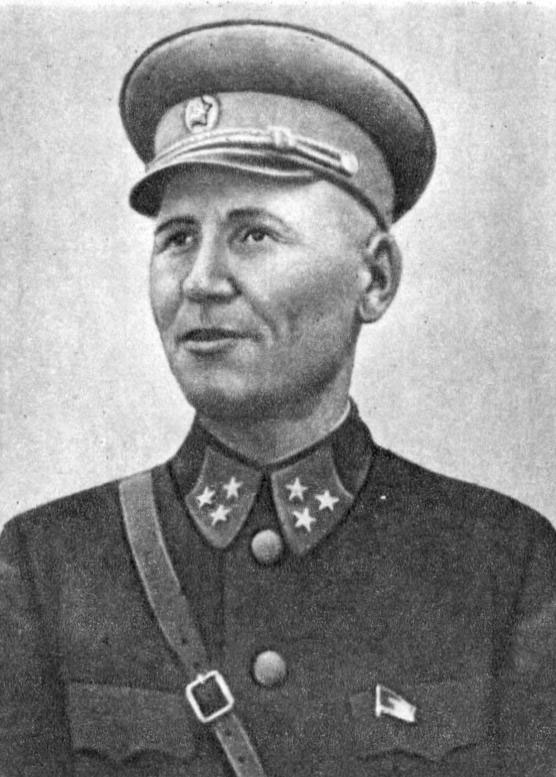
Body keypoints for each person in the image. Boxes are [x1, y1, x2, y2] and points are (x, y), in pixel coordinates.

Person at [1, 19, 555, 777]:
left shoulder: (505, 567)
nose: (201, 281)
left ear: (375, 279)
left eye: (254, 235)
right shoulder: (43, 570)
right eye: (177, 238)